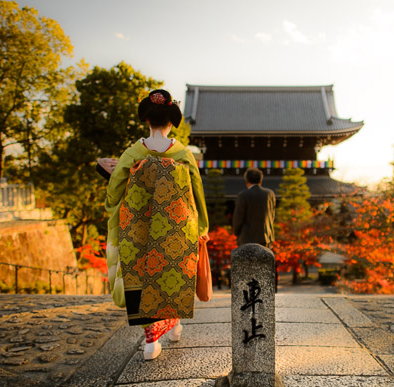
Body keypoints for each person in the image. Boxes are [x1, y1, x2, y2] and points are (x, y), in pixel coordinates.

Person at [105, 89, 209, 360]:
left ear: (147, 121)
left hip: (137, 226)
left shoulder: (132, 153)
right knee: (172, 277)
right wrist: (202, 227)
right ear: (171, 122)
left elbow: (115, 190)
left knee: (142, 278)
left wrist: (115, 211)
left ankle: (151, 341)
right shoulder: (183, 155)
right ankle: (173, 325)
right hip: (177, 225)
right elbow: (197, 191)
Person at [232, 168, 276, 247]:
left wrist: (236, 232)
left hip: (247, 238)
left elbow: (238, 218)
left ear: (247, 181)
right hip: (265, 237)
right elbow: (272, 215)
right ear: (261, 181)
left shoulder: (243, 195)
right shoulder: (270, 194)